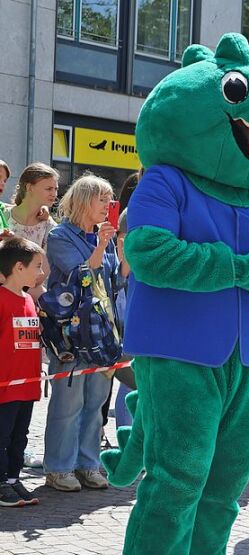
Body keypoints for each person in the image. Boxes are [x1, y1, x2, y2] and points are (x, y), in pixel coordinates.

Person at [42, 174, 124, 492]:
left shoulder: (102, 237)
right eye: (101, 199)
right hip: (71, 334)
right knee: (68, 403)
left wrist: (121, 251)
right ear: (83, 201)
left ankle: (87, 464)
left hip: (102, 332)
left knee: (95, 403)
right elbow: (80, 279)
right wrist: (102, 246)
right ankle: (59, 467)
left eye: (109, 199)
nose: (108, 206)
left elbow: (114, 283)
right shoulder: (61, 236)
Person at [0, 237, 44, 507]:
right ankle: (1, 481)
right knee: (1, 436)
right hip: (5, 386)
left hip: (27, 386)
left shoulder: (29, 299)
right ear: (18, 267)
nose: (41, 273)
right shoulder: (2, 299)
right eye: (37, 266)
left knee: (20, 436)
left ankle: (14, 478)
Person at [2, 163, 59, 300]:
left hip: (29, 297)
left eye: (55, 189)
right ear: (29, 187)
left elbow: (41, 274)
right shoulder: (3, 214)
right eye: (48, 188)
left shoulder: (50, 227)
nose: (54, 194)